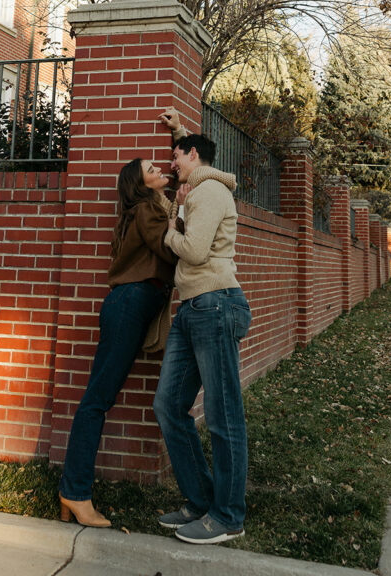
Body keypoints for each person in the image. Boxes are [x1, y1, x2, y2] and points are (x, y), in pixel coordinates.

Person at [58, 155, 179, 527]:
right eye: (152, 171)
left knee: (98, 397)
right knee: (97, 399)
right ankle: (75, 493)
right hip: (130, 304)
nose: (160, 171)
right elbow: (173, 250)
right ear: (140, 184)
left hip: (129, 305)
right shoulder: (147, 210)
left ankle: (70, 494)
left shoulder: (145, 208)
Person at [153, 108, 252, 545]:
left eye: (177, 156)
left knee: (223, 415)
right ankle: (201, 500)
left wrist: (169, 232)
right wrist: (177, 130)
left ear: (193, 157)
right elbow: (188, 158)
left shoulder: (210, 192)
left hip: (214, 304)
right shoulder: (196, 188)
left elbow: (192, 251)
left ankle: (228, 515)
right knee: (169, 406)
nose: (171, 165)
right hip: (193, 307)